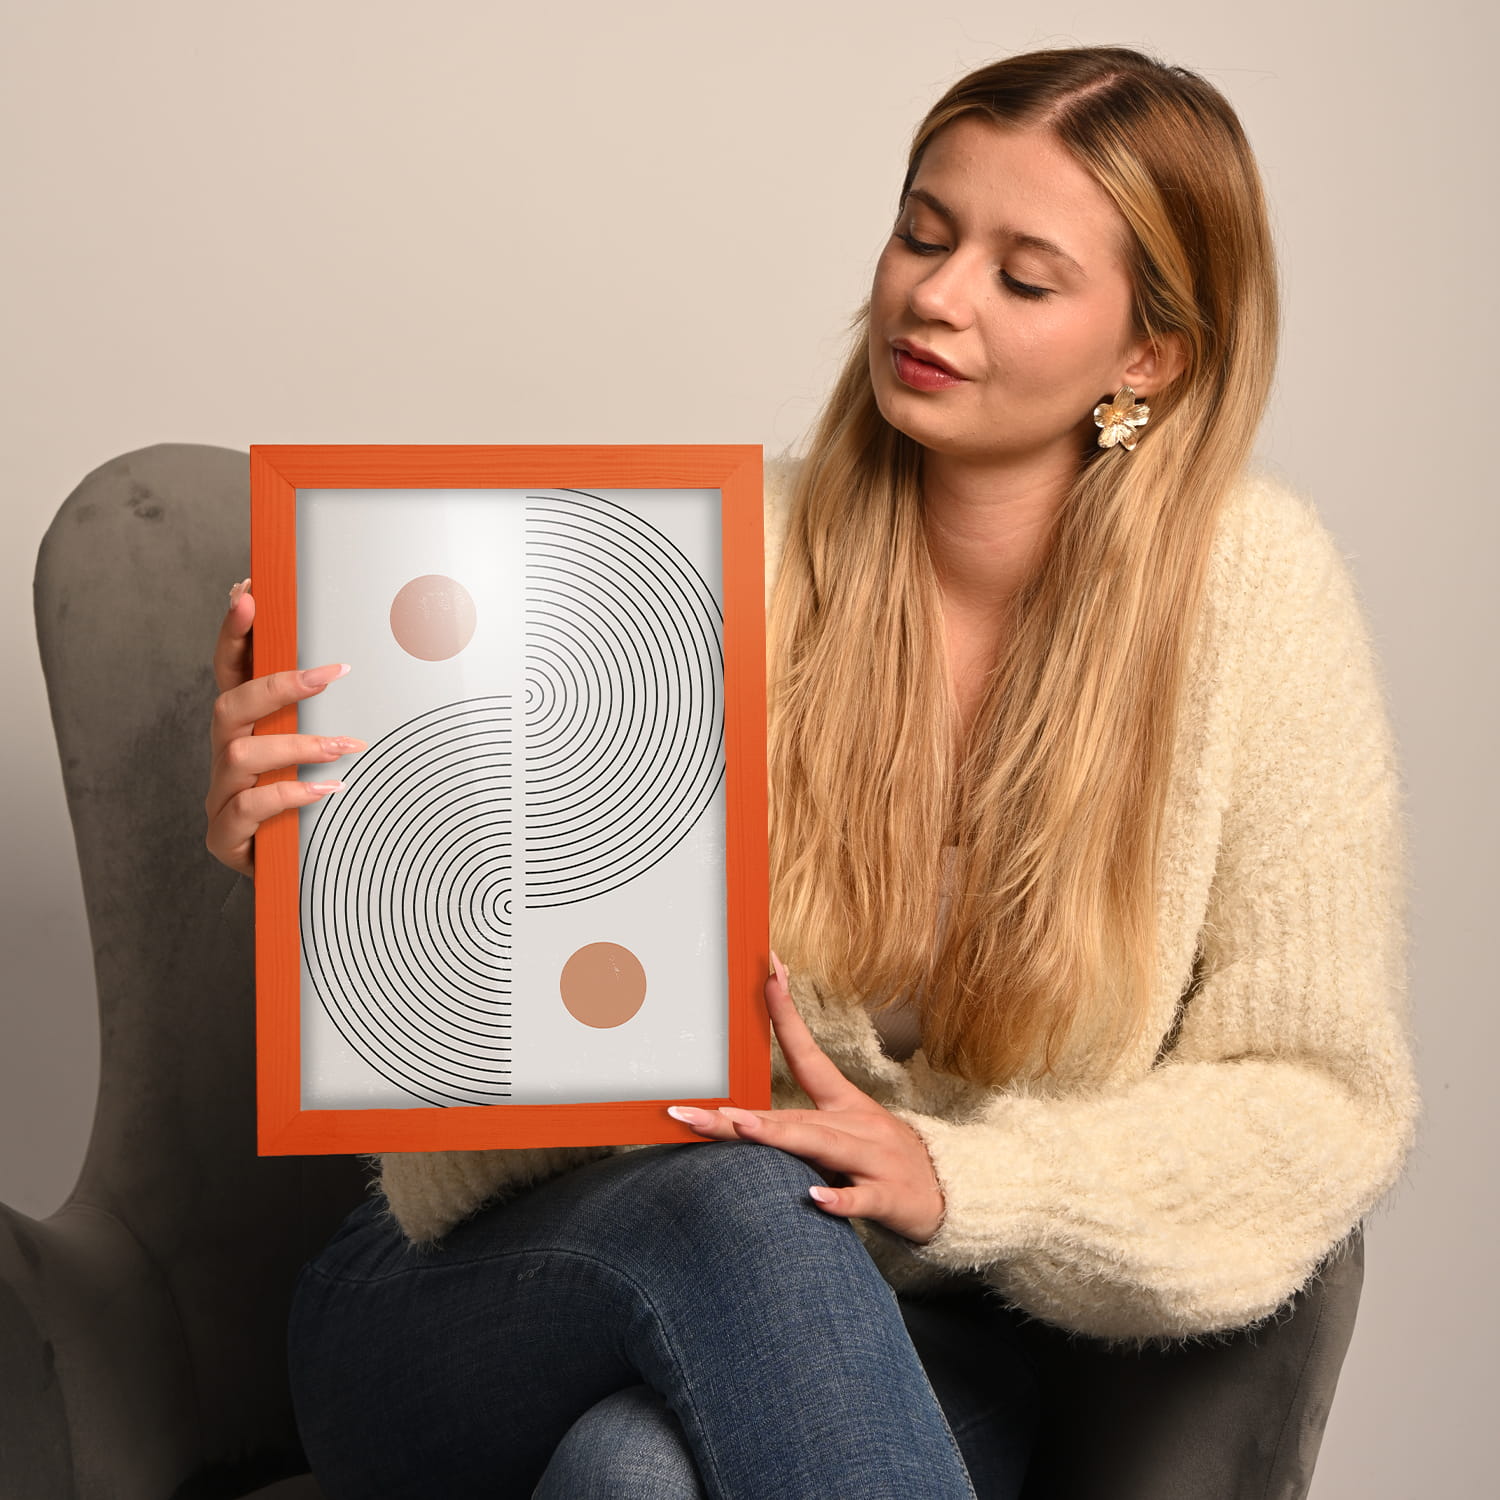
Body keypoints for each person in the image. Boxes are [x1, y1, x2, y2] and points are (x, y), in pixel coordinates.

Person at [204, 44, 1417, 1500]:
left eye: (1024, 278)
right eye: (923, 232)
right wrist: (328, 855)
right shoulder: (683, 569)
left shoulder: (1253, 599)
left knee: (634, 1478)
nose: (937, 297)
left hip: (906, 1340)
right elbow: (464, 1053)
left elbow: (1315, 1094)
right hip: (477, 1300)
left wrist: (960, 1180)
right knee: (746, 1196)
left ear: (1148, 354)